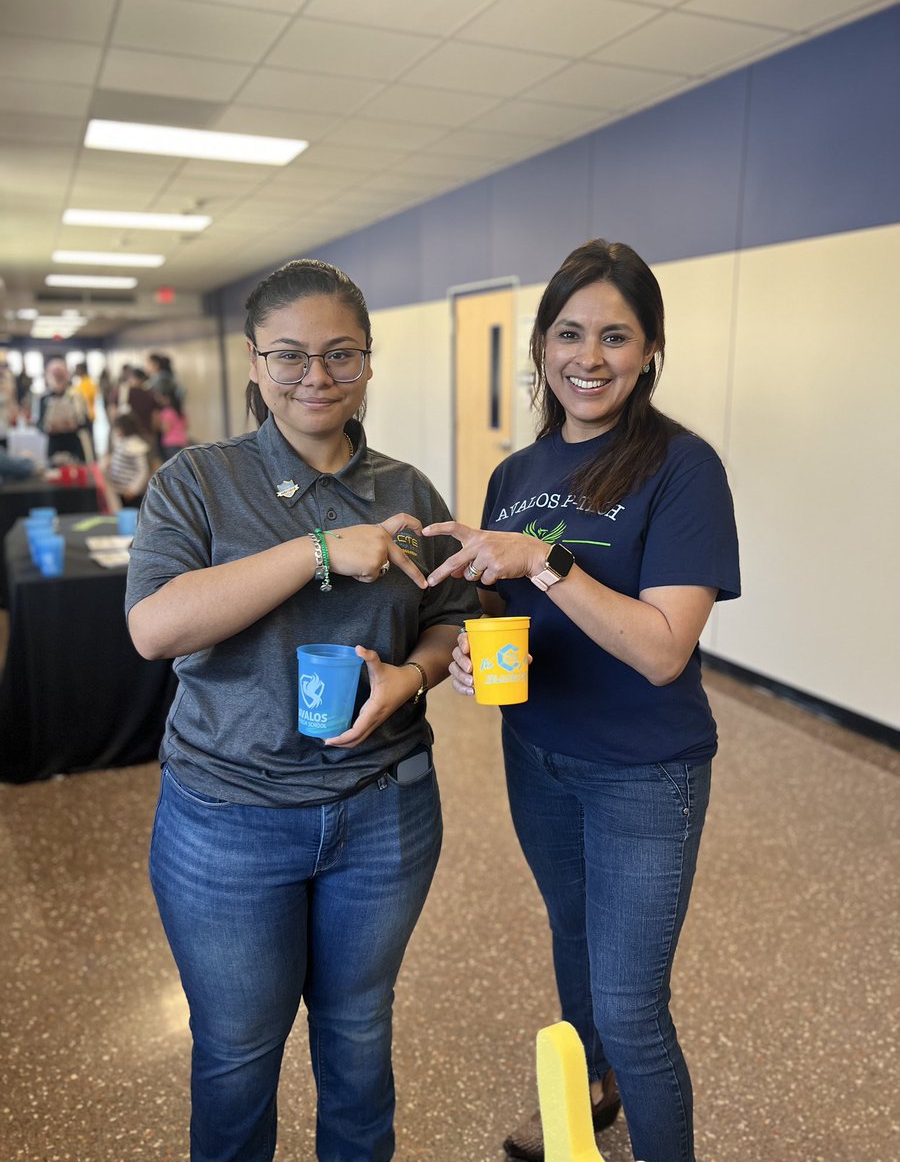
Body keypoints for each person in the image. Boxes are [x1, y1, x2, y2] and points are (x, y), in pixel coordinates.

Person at [125, 258, 478, 1162]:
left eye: (339, 355)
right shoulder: (197, 483)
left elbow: (449, 622)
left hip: (384, 810)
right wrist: (320, 551)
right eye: (288, 357)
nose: (315, 378)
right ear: (253, 364)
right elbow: (156, 628)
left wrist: (416, 677)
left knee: (359, 1040)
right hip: (229, 822)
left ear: (368, 361)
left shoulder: (408, 490)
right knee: (239, 1056)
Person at [424, 239, 741, 1162]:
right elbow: (502, 607)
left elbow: (661, 651)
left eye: (615, 336)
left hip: (644, 771)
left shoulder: (684, 469)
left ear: (649, 352)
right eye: (569, 333)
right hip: (538, 753)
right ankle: (589, 1106)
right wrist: (468, 650)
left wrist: (547, 560)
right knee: (572, 942)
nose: (588, 358)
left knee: (633, 1006)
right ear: (540, 344)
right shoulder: (514, 476)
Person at [35, 357, 91, 461]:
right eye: (55, 376)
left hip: (74, 444)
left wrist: (75, 425)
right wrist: (48, 428)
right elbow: (38, 425)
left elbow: (87, 422)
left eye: (61, 376)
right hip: (54, 444)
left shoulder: (77, 396)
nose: (58, 379)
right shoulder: (43, 399)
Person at [105, 412, 151, 507]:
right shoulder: (120, 440)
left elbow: (142, 470)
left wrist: (133, 489)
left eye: (118, 428)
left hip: (129, 493)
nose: (116, 431)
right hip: (118, 489)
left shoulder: (135, 445)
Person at [154, 388, 189, 461]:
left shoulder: (167, 412)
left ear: (168, 399)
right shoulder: (181, 411)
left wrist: (157, 425)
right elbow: (186, 426)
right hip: (182, 441)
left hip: (170, 443)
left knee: (172, 467)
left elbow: (166, 429)